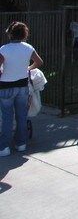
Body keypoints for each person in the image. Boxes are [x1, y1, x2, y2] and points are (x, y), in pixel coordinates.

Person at [0, 21, 43, 156]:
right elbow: (39, 62)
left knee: (7, 117)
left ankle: (4, 147)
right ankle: (21, 144)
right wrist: (28, 68)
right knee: (21, 116)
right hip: (22, 85)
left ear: (10, 34)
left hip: (6, 86)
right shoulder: (28, 48)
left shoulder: (3, 49)